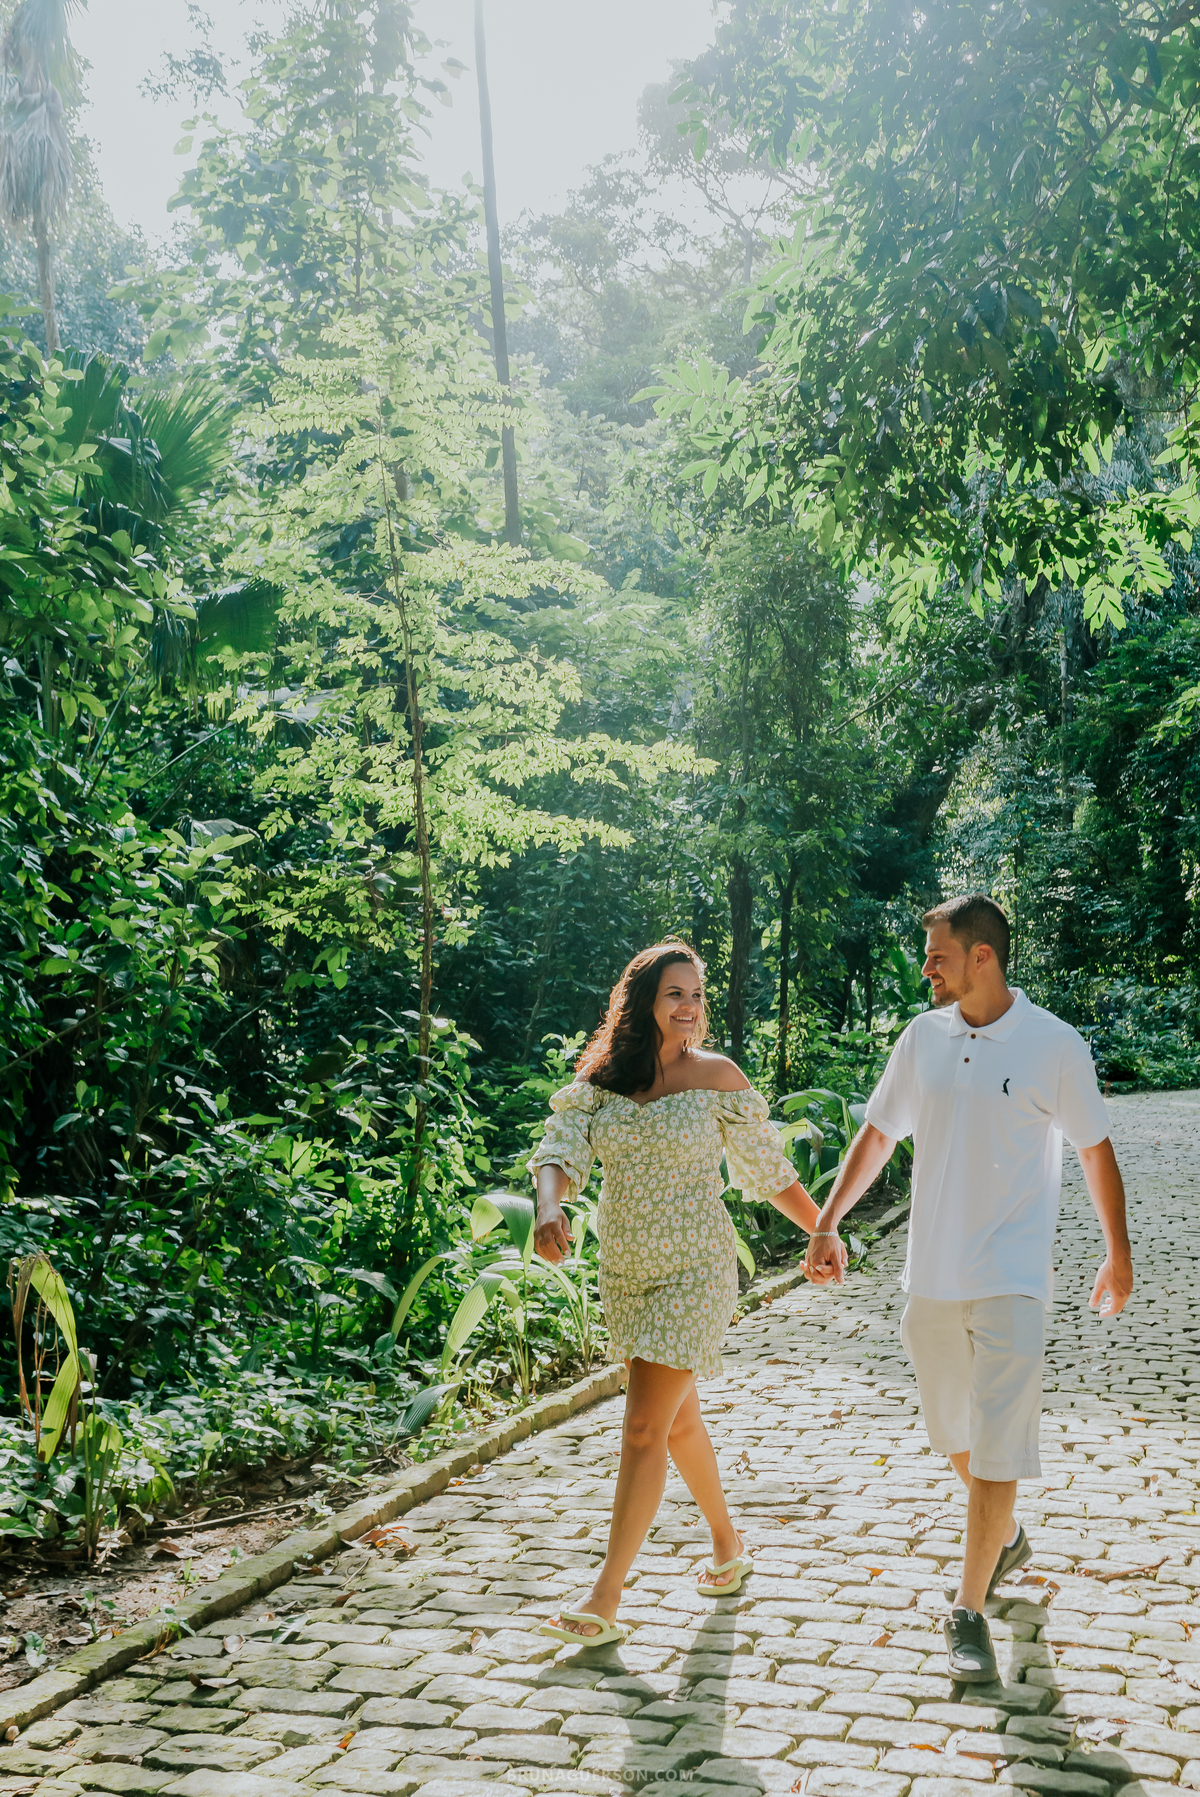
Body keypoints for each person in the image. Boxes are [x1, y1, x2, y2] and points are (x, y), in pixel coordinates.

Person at [804, 895, 1133, 1685]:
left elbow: (1094, 1147)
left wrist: (1117, 1253)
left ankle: (968, 1608)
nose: (927, 968)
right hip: (932, 1275)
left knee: (997, 1440)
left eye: (938, 955)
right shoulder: (923, 1038)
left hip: (1014, 1276)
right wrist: (826, 1219)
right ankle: (1007, 1530)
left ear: (982, 955)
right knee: (955, 1431)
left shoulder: (1054, 1044)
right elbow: (879, 1132)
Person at [529, 939, 839, 1645]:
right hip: (629, 1274)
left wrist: (823, 1230)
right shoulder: (602, 1081)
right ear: (643, 1001)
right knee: (676, 1423)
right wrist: (552, 1207)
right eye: (676, 993)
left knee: (641, 1428)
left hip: (698, 1270)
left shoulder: (717, 1077)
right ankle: (728, 1546)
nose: (692, 1006)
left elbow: (769, 1170)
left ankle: (606, 1596)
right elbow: (557, 1151)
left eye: (698, 993)